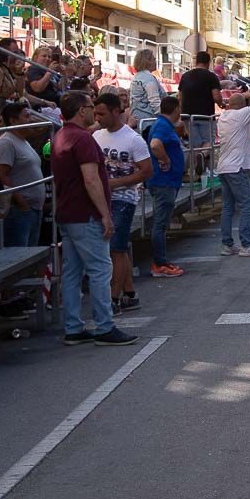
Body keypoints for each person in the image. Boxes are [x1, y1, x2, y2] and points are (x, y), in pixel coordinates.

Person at [49, 91, 137, 346]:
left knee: (73, 271)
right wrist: (105, 214)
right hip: (84, 213)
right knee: (100, 269)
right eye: (90, 107)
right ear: (80, 111)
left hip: (67, 212)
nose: (93, 111)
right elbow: (91, 179)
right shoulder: (83, 139)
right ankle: (104, 326)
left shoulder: (61, 136)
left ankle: (74, 327)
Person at [93, 92, 152, 313]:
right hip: (103, 198)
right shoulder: (96, 136)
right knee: (118, 249)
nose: (98, 117)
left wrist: (116, 184)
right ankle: (129, 293)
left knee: (116, 249)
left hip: (123, 199)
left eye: (102, 113)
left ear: (116, 112)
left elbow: (146, 171)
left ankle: (114, 297)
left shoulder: (133, 139)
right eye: (96, 113)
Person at [217, 92, 250, 257]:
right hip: (236, 167)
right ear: (243, 104)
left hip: (224, 166)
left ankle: (227, 244)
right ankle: (246, 245)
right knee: (247, 205)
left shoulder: (223, 117)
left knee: (228, 207)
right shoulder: (241, 114)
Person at [0, 101, 46, 248]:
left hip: (33, 209)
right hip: (19, 211)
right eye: (27, 116)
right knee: (19, 254)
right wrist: (21, 202)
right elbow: (0, 176)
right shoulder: (6, 143)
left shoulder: (23, 141)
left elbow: (43, 125)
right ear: (14, 121)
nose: (31, 120)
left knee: (31, 254)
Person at [145, 95, 185, 278]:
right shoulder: (162, 126)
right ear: (176, 108)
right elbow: (155, 145)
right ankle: (159, 263)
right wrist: (166, 160)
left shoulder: (164, 125)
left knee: (162, 222)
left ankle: (161, 261)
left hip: (167, 181)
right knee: (160, 223)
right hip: (163, 181)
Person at [178, 51, 223, 159]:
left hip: (187, 116)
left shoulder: (185, 76)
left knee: (194, 145)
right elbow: (216, 97)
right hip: (205, 116)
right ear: (208, 63)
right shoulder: (212, 77)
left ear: (196, 61)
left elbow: (180, 97)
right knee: (209, 142)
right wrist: (222, 104)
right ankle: (202, 157)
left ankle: (195, 173)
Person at [129, 48, 165, 129]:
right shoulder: (148, 78)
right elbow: (154, 101)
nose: (156, 61)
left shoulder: (136, 77)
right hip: (148, 124)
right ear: (147, 61)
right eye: (154, 59)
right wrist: (166, 118)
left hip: (137, 122)